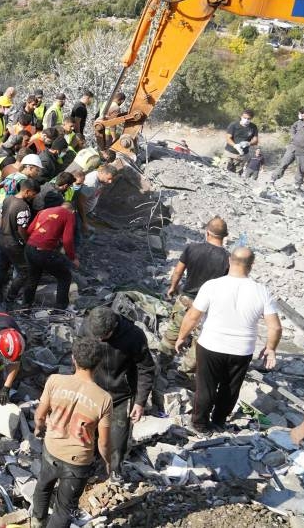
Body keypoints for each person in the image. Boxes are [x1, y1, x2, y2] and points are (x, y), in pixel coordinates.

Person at [175, 247, 282, 434]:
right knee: (230, 389)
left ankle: (200, 424)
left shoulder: (212, 286)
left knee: (206, 386)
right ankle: (218, 422)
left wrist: (182, 337)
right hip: (241, 349)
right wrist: (270, 348)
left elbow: (193, 316)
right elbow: (275, 327)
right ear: (252, 265)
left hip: (211, 345)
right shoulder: (262, 291)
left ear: (229, 261)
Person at [31, 338, 112, 528]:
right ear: (98, 364)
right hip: (78, 462)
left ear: (74, 359)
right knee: (65, 508)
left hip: (52, 449)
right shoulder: (104, 399)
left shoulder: (55, 381)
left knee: (43, 486)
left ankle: (37, 521)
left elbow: (40, 415)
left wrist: (38, 428)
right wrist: (108, 462)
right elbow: (104, 443)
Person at [82, 306, 155, 481]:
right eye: (96, 337)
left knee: (117, 438)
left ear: (113, 327)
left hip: (120, 395)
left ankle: (114, 470)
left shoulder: (134, 335)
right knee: (87, 432)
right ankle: (87, 465)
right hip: (92, 390)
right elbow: (80, 356)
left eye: (103, 337)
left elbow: (146, 369)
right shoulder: (87, 327)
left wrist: (140, 402)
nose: (99, 340)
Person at [161, 216, 230, 368]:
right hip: (208, 307)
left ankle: (163, 361)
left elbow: (178, 272)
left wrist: (173, 287)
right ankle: (185, 373)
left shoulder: (192, 248)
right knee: (201, 338)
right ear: (225, 236)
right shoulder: (228, 259)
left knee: (175, 329)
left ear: (207, 232)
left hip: (187, 299)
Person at [23, 202, 78, 309]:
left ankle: (25, 306)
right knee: (65, 276)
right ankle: (60, 309)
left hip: (29, 247)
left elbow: (30, 230)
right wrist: (73, 258)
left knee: (33, 277)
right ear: (73, 211)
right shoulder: (69, 215)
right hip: (43, 251)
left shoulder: (44, 211)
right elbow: (68, 240)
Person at [0, 179, 40, 304]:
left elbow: (1, 219)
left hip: (3, 238)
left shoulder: (8, 199)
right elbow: (21, 229)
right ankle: (10, 297)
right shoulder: (23, 207)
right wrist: (26, 243)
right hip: (13, 243)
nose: (34, 197)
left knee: (3, 268)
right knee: (24, 271)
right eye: (34, 194)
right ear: (27, 191)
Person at [270, 106, 304, 188]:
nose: (298, 115)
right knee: (283, 163)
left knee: (302, 169)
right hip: (293, 147)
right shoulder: (298, 122)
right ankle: (272, 180)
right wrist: (293, 136)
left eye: (299, 113)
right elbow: (292, 128)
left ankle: (297, 185)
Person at [223, 109, 259, 175]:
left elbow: (256, 140)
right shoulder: (234, 125)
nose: (246, 120)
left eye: (248, 119)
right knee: (223, 172)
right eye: (244, 118)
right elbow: (228, 138)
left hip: (242, 156)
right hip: (229, 153)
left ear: (251, 119)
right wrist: (235, 145)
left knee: (237, 175)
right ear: (241, 116)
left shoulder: (253, 127)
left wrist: (248, 143)